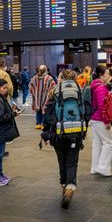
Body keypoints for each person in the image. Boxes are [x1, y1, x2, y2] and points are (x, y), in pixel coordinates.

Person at [42, 70, 86, 208]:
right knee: (72, 162)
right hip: (76, 132)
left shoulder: (54, 92)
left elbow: (48, 116)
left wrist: (45, 133)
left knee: (62, 160)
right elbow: (86, 112)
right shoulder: (80, 91)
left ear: (61, 78)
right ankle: (70, 187)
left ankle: (63, 186)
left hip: (58, 133)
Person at [90, 66, 112, 177]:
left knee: (97, 144)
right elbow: (102, 106)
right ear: (101, 74)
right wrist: (106, 121)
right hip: (100, 119)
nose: (109, 75)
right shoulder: (101, 88)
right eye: (107, 73)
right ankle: (103, 167)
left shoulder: (94, 85)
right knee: (110, 143)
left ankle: (95, 167)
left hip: (94, 118)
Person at [29, 65, 57, 129]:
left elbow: (30, 86)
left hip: (37, 97)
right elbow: (53, 87)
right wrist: (50, 94)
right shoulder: (49, 78)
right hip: (46, 97)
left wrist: (34, 93)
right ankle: (43, 124)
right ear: (46, 70)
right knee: (45, 110)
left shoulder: (35, 77)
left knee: (38, 110)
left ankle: (38, 124)